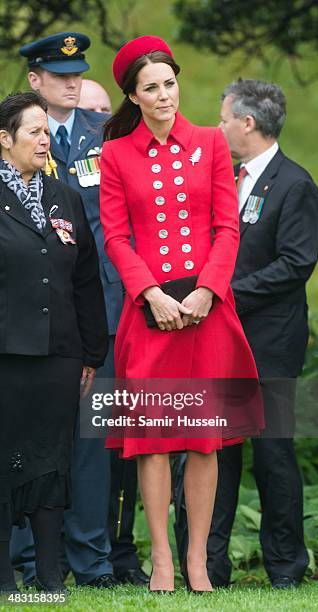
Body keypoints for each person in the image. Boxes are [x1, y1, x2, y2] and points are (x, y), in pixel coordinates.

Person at [100, 36, 263, 593]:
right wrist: (151, 293)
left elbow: (227, 226)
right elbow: (117, 238)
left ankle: (197, 562)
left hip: (206, 311)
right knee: (153, 439)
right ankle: (162, 562)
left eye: (170, 83)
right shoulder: (117, 154)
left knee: (202, 437)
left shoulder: (212, 143)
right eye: (152, 87)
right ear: (133, 95)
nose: (165, 95)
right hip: (151, 313)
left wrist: (207, 291)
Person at [174, 79, 318, 589]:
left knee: (273, 454)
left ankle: (284, 568)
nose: (216, 128)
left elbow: (295, 264)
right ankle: (208, 567)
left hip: (269, 347)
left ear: (248, 123)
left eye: (222, 119)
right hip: (216, 342)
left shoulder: (295, 185)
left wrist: (221, 291)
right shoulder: (221, 179)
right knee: (213, 451)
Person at [12, 31, 123, 589]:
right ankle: (29, 560)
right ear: (36, 80)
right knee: (27, 438)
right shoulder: (17, 139)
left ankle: (92, 560)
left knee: (89, 439)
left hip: (93, 311)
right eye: (60, 75)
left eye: (77, 73)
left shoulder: (104, 135)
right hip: (26, 320)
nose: (73, 82)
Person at [0, 91, 108, 594]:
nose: (45, 141)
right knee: (4, 460)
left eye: (47, 132)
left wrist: (91, 352)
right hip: (6, 354)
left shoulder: (61, 194)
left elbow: (86, 276)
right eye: (34, 133)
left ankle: (48, 577)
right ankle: (4, 579)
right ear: (5, 140)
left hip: (59, 355)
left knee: (50, 463)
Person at [78, 78, 149, 586]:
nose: (100, 122)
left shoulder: (119, 158)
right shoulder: (60, 157)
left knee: (117, 449)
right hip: (74, 324)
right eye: (90, 112)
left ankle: (116, 551)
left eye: (105, 111)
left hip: (126, 317)